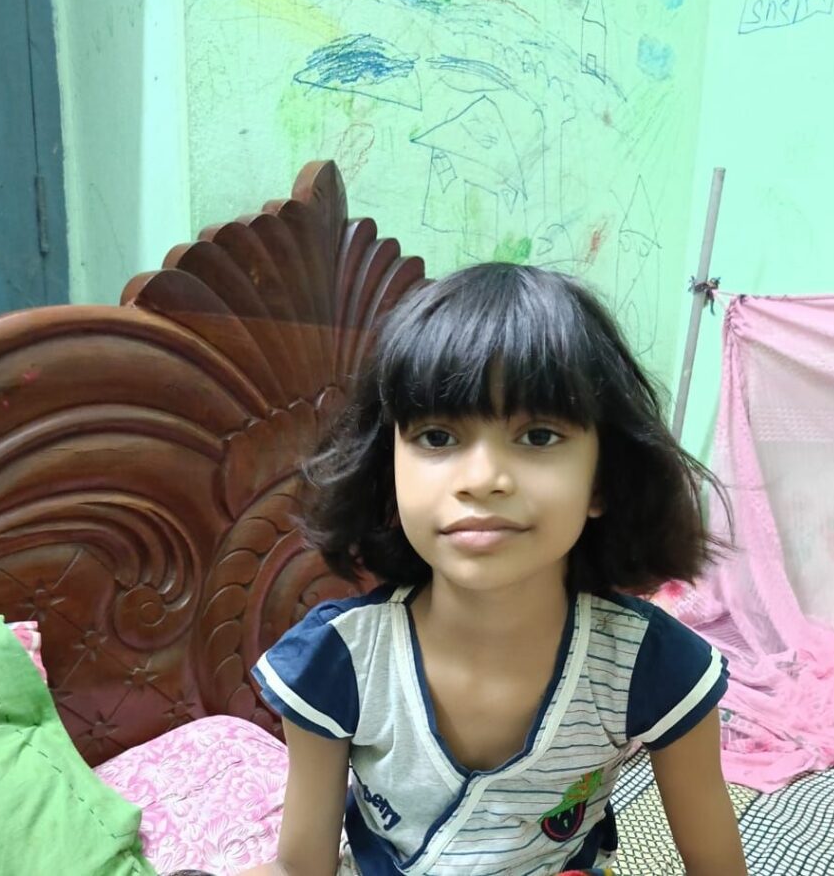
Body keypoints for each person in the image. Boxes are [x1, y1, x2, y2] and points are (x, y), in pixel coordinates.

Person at [242, 263, 747, 876]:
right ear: (388, 475)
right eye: (436, 437)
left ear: (601, 481)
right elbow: (302, 868)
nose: (482, 480)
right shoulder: (339, 660)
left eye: (538, 436)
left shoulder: (651, 664)